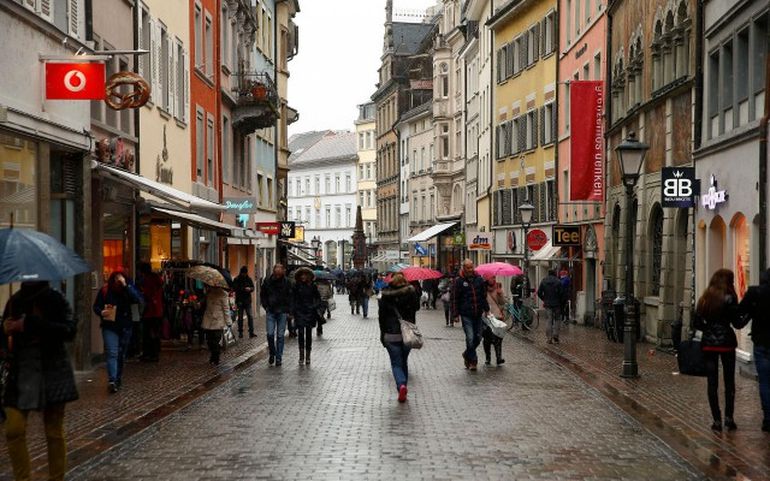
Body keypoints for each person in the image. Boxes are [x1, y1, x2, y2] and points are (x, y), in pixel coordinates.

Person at [2, 281, 78, 481]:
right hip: (22, 374)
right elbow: (6, 341)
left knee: (53, 431)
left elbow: (69, 331)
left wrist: (30, 324)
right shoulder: (15, 301)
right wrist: (6, 329)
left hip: (52, 372)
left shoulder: (56, 299)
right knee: (13, 429)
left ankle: (56, 478)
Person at [694, 269, 749, 432]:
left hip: (709, 344)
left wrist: (709, 329)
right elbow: (738, 323)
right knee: (729, 381)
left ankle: (716, 420)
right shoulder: (730, 298)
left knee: (712, 382)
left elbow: (696, 323)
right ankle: (729, 417)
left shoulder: (705, 298)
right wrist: (749, 315)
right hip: (726, 342)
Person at [93, 270, 143, 393]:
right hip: (109, 326)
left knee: (121, 354)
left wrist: (125, 285)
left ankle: (118, 377)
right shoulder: (105, 290)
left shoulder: (128, 289)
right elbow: (96, 306)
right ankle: (112, 380)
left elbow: (137, 299)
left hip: (125, 326)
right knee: (112, 353)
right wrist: (101, 312)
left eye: (120, 278)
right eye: (115, 278)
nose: (117, 281)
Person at [378, 272, 420, 403]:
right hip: (407, 333)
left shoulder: (385, 295)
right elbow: (416, 308)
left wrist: (382, 334)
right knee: (403, 361)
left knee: (396, 363)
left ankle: (401, 385)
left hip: (391, 333)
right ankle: (404, 386)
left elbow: (382, 317)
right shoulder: (411, 293)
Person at [740, 269, 770, 432]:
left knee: (765, 382)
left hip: (762, 343)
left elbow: (740, 311)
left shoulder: (755, 293)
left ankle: (768, 418)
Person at [451, 259, 490, 371]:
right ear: (464, 268)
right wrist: (455, 314)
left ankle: (467, 353)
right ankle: (473, 361)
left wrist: (486, 309)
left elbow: (483, 296)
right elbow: (455, 298)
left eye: (471, 267)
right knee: (470, 337)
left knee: (478, 337)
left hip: (478, 313)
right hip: (466, 314)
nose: (470, 269)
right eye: (467, 267)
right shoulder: (458, 281)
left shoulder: (479, 280)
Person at [260, 264, 293, 366]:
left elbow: (290, 296)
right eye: (276, 274)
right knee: (270, 334)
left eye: (279, 274)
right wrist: (266, 306)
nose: (278, 276)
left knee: (280, 336)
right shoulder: (268, 281)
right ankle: (272, 353)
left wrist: (289, 311)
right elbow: (263, 294)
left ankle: (278, 357)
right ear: (274, 272)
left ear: (282, 272)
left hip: (282, 312)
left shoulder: (287, 282)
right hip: (271, 311)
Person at [291, 267, 322, 365]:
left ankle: (308, 356)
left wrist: (314, 306)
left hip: (310, 312)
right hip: (299, 312)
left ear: (309, 276)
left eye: (305, 275)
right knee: (300, 333)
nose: (303, 276)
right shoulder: (296, 286)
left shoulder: (313, 286)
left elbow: (318, 298)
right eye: (301, 275)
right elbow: (293, 299)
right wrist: (294, 310)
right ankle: (301, 356)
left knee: (308, 334)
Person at [137, 262, 163, 362]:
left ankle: (149, 353)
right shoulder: (156, 279)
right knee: (154, 333)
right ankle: (154, 353)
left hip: (150, 311)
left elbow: (147, 294)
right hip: (157, 310)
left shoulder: (147, 280)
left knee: (148, 333)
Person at [201, 286, 230, 366]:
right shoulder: (209, 292)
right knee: (209, 340)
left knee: (215, 341)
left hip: (218, 321)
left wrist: (228, 322)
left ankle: (215, 358)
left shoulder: (223, 294)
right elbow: (204, 305)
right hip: (208, 320)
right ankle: (213, 356)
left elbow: (226, 309)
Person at [483, 276, 506, 366]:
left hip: (497, 317)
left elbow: (502, 302)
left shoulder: (498, 288)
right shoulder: (483, 289)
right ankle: (488, 358)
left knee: (498, 338)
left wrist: (500, 294)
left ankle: (499, 358)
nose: (493, 279)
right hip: (487, 317)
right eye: (490, 277)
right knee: (487, 339)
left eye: (494, 277)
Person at [538, 269, 564, 344]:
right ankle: (556, 335)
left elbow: (539, 292)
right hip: (557, 303)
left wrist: (544, 299)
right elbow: (562, 293)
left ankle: (549, 338)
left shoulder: (544, 281)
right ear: (555, 273)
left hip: (548, 304)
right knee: (557, 319)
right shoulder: (558, 281)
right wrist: (561, 301)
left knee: (549, 320)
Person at [232, 266, 256, 339]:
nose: (244, 275)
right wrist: (244, 289)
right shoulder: (237, 279)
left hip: (247, 301)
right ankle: (240, 332)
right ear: (241, 272)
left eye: (245, 273)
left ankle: (251, 332)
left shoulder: (249, 279)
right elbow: (234, 288)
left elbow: (253, 287)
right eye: (243, 273)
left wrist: (250, 289)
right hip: (240, 301)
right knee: (240, 317)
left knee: (250, 316)